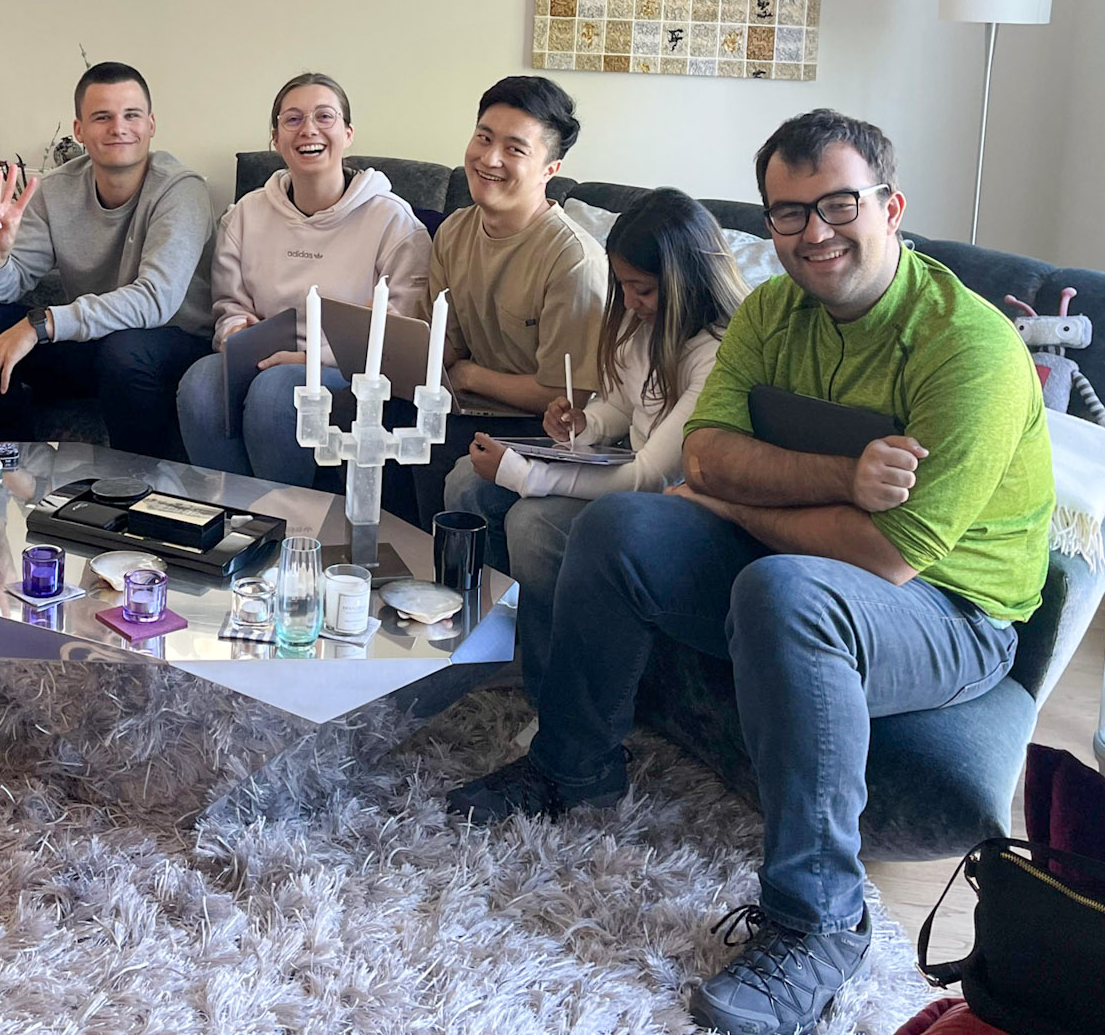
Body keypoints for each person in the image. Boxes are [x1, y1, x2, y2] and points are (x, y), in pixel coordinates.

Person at [445, 110, 1053, 1035]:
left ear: (891, 207)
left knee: (787, 590)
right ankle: (573, 764)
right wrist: (842, 478)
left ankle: (819, 922)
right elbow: (713, 457)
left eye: (838, 205)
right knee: (619, 527)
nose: (814, 233)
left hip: (950, 608)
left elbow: (888, 554)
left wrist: (739, 505)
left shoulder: (966, 349)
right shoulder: (772, 311)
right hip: (807, 553)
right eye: (788, 212)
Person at [443, 187, 746, 697]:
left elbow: (651, 475)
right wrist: (583, 423)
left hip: (675, 504)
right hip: (632, 465)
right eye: (623, 287)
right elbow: (625, 405)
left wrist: (527, 474)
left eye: (643, 290)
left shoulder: (717, 353)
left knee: (533, 520)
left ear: (687, 282)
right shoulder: (641, 323)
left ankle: (551, 680)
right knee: (465, 481)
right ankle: (499, 641)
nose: (629, 303)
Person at [176, 73, 430, 486]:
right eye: (292, 119)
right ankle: (239, 524)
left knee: (277, 392)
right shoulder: (245, 214)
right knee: (200, 384)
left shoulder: (392, 220)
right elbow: (228, 303)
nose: (309, 129)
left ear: (347, 134)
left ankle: (293, 533)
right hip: (262, 358)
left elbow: (403, 328)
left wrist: (312, 359)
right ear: (275, 138)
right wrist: (236, 330)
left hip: (349, 371)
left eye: (324, 117)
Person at [0, 61, 214, 460]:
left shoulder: (181, 191)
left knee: (124, 352)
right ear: (79, 130)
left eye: (131, 115)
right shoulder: (56, 191)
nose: (119, 127)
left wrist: (41, 325)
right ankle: (13, 468)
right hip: (98, 342)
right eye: (102, 117)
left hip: (172, 345)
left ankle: (141, 494)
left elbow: (155, 301)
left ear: (151, 124)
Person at [411, 75, 607, 523]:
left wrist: (469, 375)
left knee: (440, 453)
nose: (489, 158)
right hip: (463, 407)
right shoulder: (455, 230)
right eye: (483, 138)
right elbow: (445, 345)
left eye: (515, 149)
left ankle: (454, 588)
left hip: (541, 429)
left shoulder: (572, 260)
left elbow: (564, 397)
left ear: (549, 171)